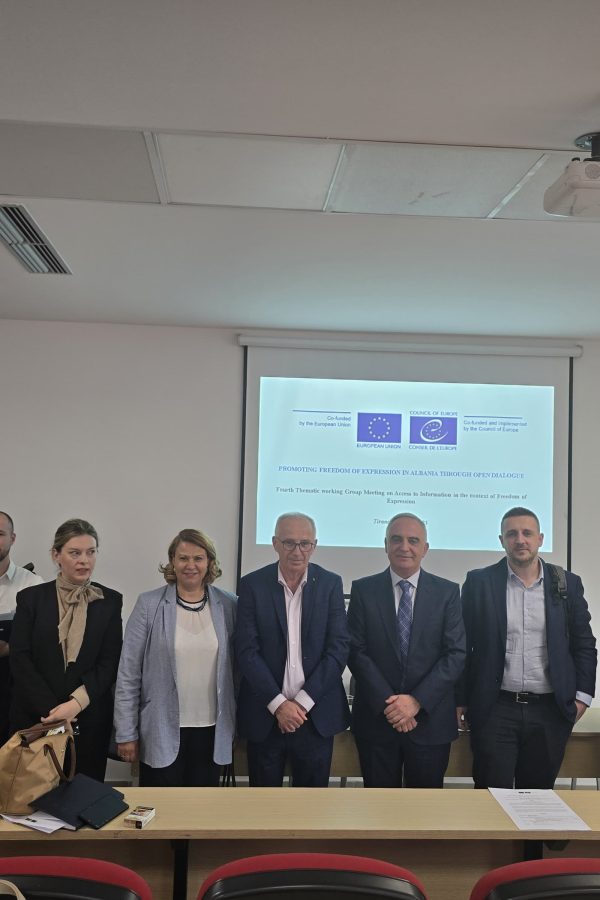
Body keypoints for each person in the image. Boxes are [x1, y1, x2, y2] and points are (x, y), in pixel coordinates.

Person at [457, 506, 597, 789]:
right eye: (512, 534)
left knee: (537, 799)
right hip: (495, 709)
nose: (520, 540)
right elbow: (463, 646)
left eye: (527, 533)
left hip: (549, 711)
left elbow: (584, 645)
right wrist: (459, 698)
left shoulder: (567, 584)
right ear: (502, 540)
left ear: (540, 539)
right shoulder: (479, 583)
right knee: (491, 795)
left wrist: (582, 698)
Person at [347, 512, 465, 788]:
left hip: (430, 722)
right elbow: (355, 650)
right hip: (378, 720)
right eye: (396, 539)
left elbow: (455, 654)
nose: (404, 547)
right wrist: (391, 705)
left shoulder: (447, 592)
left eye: (413, 540)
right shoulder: (363, 590)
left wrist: (416, 702)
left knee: (424, 810)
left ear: (425, 548)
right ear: (385, 545)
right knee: (378, 807)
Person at [234, 512, 350, 787]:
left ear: (314, 545)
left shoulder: (330, 584)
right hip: (266, 715)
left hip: (315, 716)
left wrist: (301, 703)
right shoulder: (252, 585)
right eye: (289, 543)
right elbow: (247, 650)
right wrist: (279, 705)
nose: (297, 551)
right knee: (264, 804)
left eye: (304, 543)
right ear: (275, 543)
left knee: (311, 806)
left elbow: (338, 648)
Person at [114, 529, 236, 786]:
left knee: (203, 807)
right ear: (172, 561)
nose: (191, 565)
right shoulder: (149, 605)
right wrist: (125, 732)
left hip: (213, 730)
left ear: (209, 562)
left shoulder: (228, 605)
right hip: (160, 729)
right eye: (183, 558)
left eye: (198, 558)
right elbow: (128, 673)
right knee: (161, 807)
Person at [10, 518, 122, 780]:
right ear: (56, 555)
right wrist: (54, 712)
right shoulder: (30, 598)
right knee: (35, 796)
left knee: (84, 795)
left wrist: (74, 705)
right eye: (75, 553)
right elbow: (20, 658)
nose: (84, 560)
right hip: (37, 717)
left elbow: (109, 662)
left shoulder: (110, 601)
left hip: (87, 718)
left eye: (91, 552)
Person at [0, 511, 43, 743]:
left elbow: (43, 642)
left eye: (0, 534)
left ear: (13, 538)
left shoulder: (32, 584)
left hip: (15, 688)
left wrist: (10, 648)